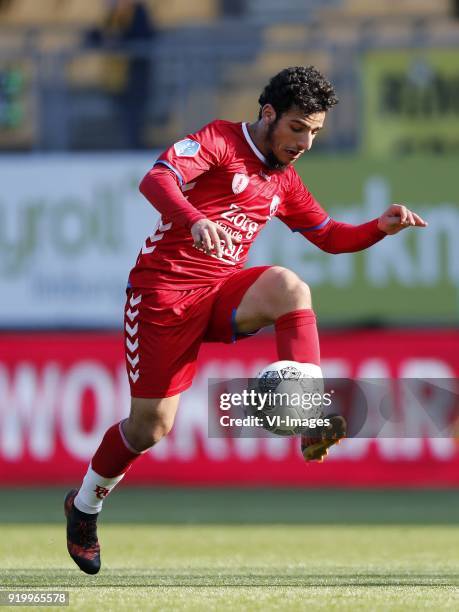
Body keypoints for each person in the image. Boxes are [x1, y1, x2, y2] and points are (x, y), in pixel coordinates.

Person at [64, 66, 427, 574]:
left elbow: (329, 236)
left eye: (315, 132)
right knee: (150, 429)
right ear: (268, 114)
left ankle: (308, 414)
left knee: (289, 287)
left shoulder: (285, 180)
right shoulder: (218, 140)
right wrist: (193, 217)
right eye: (297, 127)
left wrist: (377, 228)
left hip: (218, 293)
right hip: (162, 297)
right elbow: (157, 178)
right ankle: (84, 507)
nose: (304, 141)